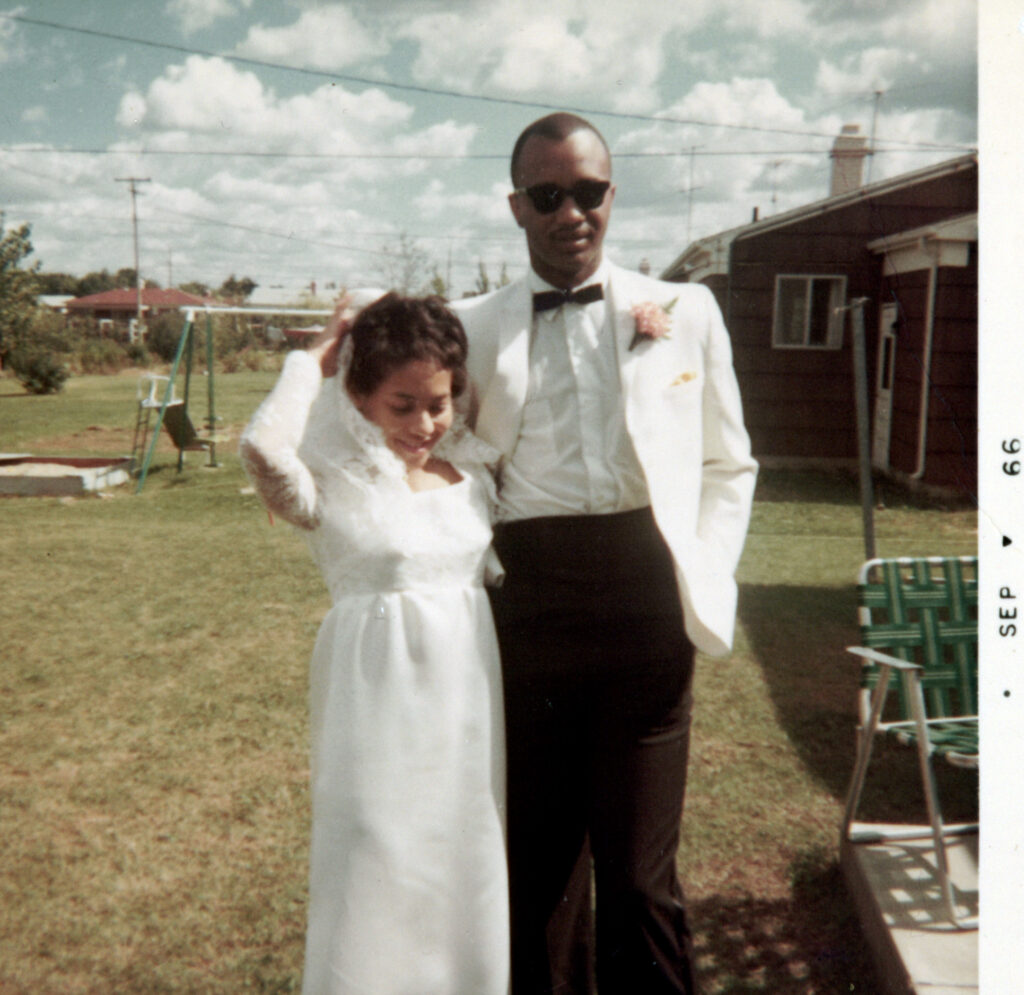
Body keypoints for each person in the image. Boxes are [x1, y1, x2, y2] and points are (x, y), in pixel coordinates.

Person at [452, 113, 758, 994]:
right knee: (537, 869)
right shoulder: (471, 327)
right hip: (527, 613)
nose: (570, 212)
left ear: (611, 196)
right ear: (517, 208)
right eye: (548, 196)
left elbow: (728, 462)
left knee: (638, 877)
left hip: (645, 608)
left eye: (587, 192)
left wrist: (703, 571)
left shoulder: (684, 311)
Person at [239, 291, 509, 995]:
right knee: (378, 860)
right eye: (402, 405)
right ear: (358, 396)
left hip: (466, 710)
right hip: (377, 708)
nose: (426, 422)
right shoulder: (332, 484)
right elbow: (263, 448)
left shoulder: (472, 476)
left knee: (460, 864)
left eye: (439, 401)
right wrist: (316, 357)